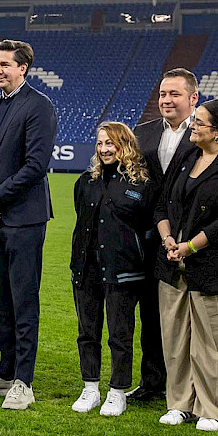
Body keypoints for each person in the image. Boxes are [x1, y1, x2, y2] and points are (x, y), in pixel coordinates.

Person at [0, 39, 58, 411]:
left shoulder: (39, 106)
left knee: (24, 300)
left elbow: (35, 166)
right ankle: (4, 373)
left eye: (6, 65)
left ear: (24, 68)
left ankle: (24, 380)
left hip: (24, 220)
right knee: (2, 301)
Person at [154, 99, 218, 432]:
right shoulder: (186, 158)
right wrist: (168, 238)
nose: (193, 126)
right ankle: (179, 404)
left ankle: (211, 409)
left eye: (199, 122)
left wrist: (190, 246)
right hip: (173, 265)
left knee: (213, 343)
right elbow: (162, 204)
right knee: (175, 340)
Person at [69, 123, 157, 417]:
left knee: (120, 334)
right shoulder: (85, 181)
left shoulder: (142, 183)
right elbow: (81, 220)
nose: (104, 149)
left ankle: (117, 391)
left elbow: (149, 227)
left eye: (111, 144)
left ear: (125, 146)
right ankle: (90, 387)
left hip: (123, 271)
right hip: (86, 269)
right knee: (87, 333)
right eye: (100, 143)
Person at [129, 68, 200, 402]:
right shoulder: (141, 133)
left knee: (191, 317)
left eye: (174, 94)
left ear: (193, 98)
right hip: (148, 236)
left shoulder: (206, 134)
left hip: (192, 237)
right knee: (151, 314)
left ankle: (190, 385)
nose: (166, 100)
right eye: (162, 94)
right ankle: (153, 381)